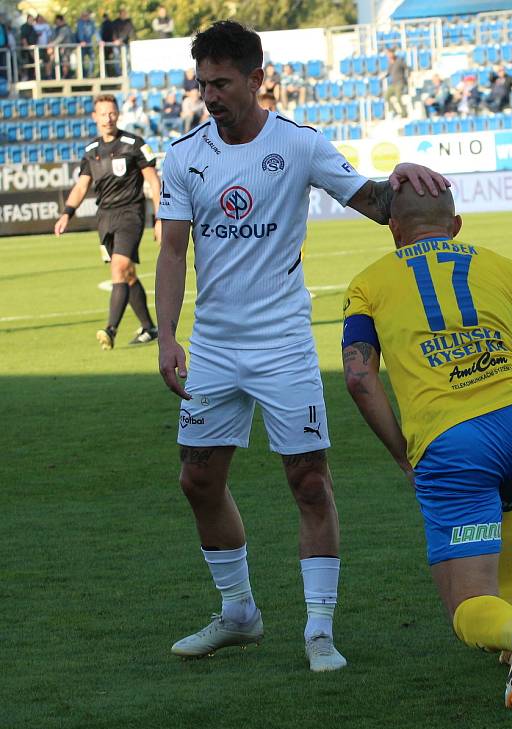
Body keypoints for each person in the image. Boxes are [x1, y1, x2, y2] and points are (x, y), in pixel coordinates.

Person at [154, 20, 447, 671]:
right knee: (197, 479)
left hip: (283, 343)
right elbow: (173, 251)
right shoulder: (183, 156)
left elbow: (376, 205)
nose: (211, 96)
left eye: (222, 83)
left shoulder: (301, 146)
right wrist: (169, 335)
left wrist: (401, 176)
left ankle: (319, 630)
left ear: (258, 80)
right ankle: (239, 613)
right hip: (216, 347)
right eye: (203, 84)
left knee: (308, 480)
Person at [340, 183, 512, 707]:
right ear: (456, 225)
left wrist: (401, 452)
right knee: (504, 503)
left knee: (466, 608)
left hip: (453, 441)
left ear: (393, 229)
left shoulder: (369, 283)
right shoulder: (501, 266)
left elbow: (359, 377)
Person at [54, 94, 161, 349]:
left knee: (119, 268)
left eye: (112, 113)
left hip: (131, 214)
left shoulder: (134, 144)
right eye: (103, 114)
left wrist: (160, 218)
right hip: (105, 218)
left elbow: (154, 182)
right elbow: (82, 187)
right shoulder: (91, 151)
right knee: (128, 274)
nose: (108, 118)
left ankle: (110, 329)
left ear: (118, 114)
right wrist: (67, 213)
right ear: (95, 117)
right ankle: (149, 328)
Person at [384, 48, 408, 117]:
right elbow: (388, 72)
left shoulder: (399, 61)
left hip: (400, 82)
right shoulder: (390, 63)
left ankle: (404, 113)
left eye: (390, 54)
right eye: (388, 54)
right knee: (386, 96)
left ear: (393, 53)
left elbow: (407, 68)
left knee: (398, 98)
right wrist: (384, 76)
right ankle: (394, 111)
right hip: (393, 84)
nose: (389, 55)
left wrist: (408, 75)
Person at [76, 11, 98, 77]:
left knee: (92, 57)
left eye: (87, 16)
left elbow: (95, 31)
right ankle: (83, 74)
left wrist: (99, 40)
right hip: (82, 44)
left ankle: (90, 73)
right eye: (84, 16)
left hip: (89, 44)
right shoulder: (80, 23)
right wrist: (82, 40)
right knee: (81, 59)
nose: (86, 17)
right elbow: (80, 32)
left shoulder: (91, 23)